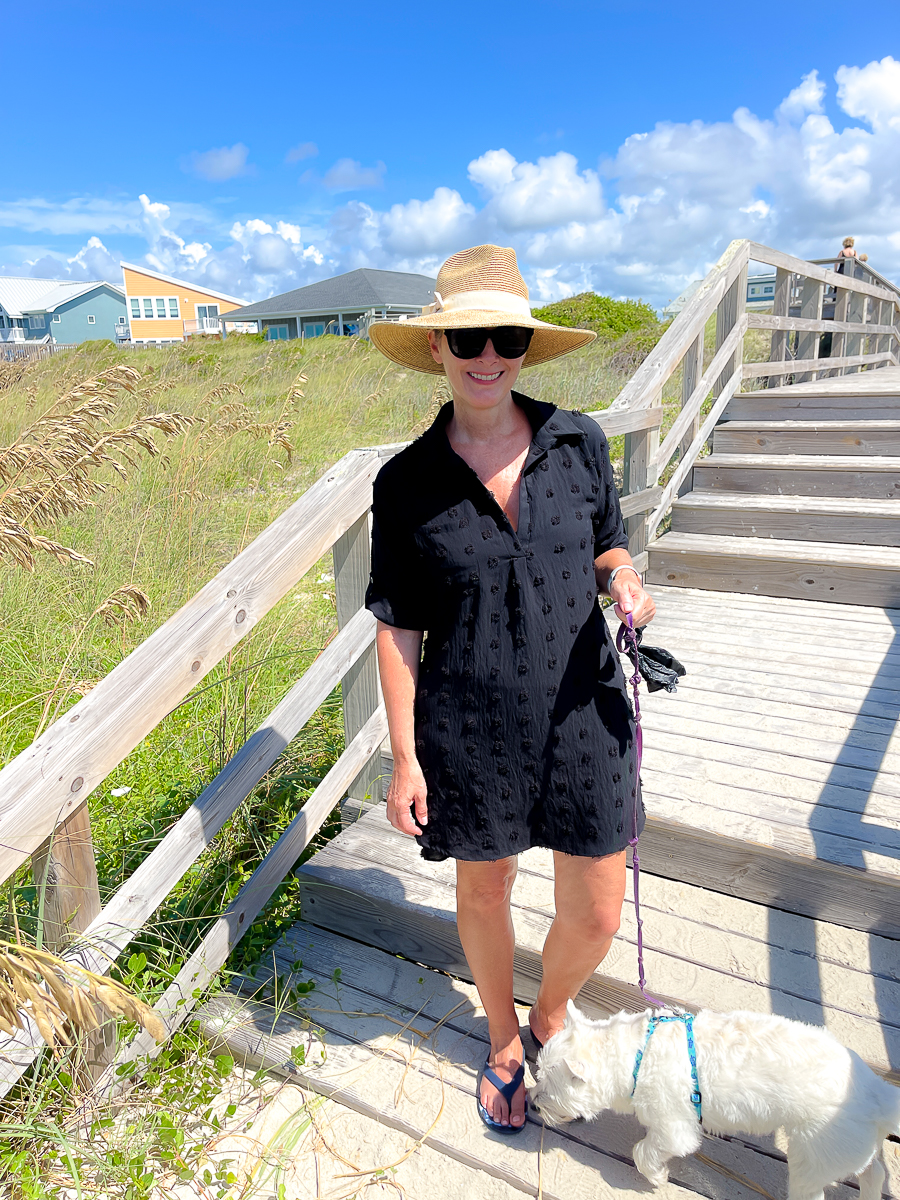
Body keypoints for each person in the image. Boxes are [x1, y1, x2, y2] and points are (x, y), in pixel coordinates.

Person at [365, 245, 656, 1134]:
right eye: (468, 337)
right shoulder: (406, 482)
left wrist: (623, 579)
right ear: (441, 349)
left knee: (598, 910)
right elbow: (397, 628)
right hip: (472, 723)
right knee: (484, 891)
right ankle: (500, 1040)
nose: (488, 355)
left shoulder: (579, 441)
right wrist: (405, 758)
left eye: (506, 337)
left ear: (525, 346)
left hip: (584, 709)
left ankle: (553, 1013)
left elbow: (609, 541)